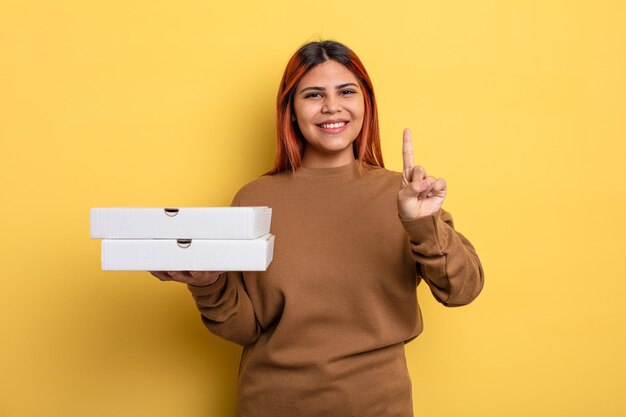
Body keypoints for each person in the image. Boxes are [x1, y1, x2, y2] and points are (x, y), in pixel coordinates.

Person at [150, 40, 484, 417]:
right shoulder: (255, 198)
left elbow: (462, 290)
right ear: (291, 110)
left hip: (377, 407)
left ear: (365, 103)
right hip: (270, 405)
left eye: (346, 91)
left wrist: (421, 222)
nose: (331, 106)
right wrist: (207, 283)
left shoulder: (403, 195)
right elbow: (245, 329)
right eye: (313, 95)